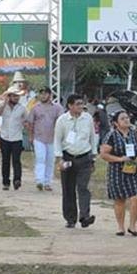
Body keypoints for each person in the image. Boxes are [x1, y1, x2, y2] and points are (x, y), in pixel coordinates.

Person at [99, 110, 137, 236]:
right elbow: (104, 154)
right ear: (116, 123)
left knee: (136, 197)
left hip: (133, 169)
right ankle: (120, 227)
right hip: (117, 170)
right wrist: (120, 159)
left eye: (127, 117)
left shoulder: (135, 134)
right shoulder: (112, 136)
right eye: (122, 118)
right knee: (120, 199)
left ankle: (132, 226)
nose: (126, 120)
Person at [54, 94, 98, 228]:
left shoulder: (87, 118)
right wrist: (59, 159)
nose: (81, 106)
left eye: (82, 104)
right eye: (78, 104)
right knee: (68, 189)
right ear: (70, 106)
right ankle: (70, 217)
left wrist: (93, 157)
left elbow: (92, 137)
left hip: (84, 157)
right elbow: (57, 140)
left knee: (83, 187)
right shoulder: (62, 120)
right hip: (68, 157)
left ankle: (84, 216)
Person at [26, 86, 63, 191]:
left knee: (50, 160)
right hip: (39, 137)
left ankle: (47, 182)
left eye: (45, 93)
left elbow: (61, 122)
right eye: (41, 93)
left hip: (53, 138)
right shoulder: (35, 108)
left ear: (50, 95)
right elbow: (30, 123)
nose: (43, 96)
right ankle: (39, 181)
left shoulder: (57, 108)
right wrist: (30, 136)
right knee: (40, 159)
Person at [0, 86, 27, 191]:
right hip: (4, 136)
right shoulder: (1, 105)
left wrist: (25, 125)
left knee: (16, 160)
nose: (17, 98)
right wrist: (4, 104)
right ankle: (6, 182)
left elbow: (26, 119)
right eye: (14, 96)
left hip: (17, 137)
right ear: (9, 96)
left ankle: (17, 180)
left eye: (18, 96)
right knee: (5, 161)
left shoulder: (22, 108)